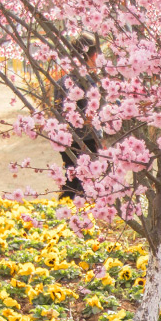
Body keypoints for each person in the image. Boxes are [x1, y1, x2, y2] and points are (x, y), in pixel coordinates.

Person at [53, 36, 99, 199]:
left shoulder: (61, 82)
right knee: (85, 182)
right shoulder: (90, 83)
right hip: (87, 140)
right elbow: (94, 116)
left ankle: (63, 212)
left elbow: (58, 113)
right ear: (93, 56)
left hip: (66, 139)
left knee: (71, 178)